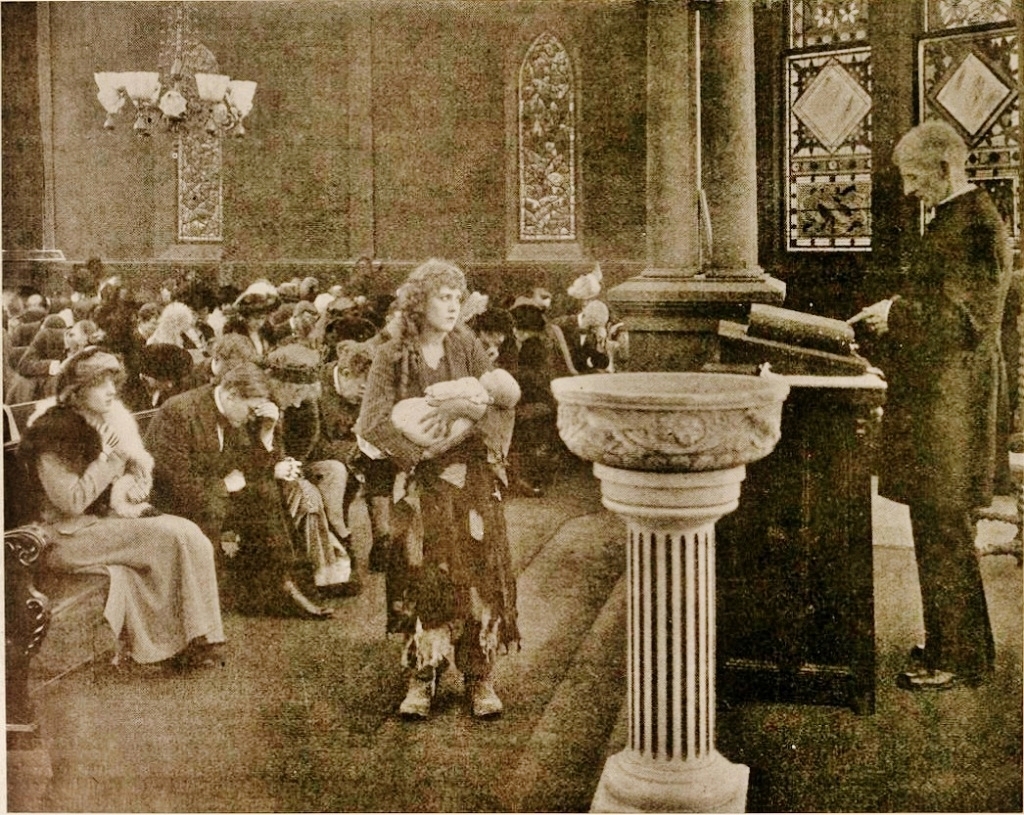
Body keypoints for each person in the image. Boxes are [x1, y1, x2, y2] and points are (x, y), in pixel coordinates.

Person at [853, 120, 1012, 690]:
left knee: (945, 529)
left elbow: (965, 320)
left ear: (945, 169)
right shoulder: (956, 218)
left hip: (953, 405)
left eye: (915, 176)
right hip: (939, 400)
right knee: (936, 526)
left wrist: (894, 314)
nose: (909, 189)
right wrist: (897, 306)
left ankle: (961, 658)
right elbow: (942, 300)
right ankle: (950, 644)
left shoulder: (976, 224)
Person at [356, 258, 521, 719]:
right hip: (419, 483)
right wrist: (418, 454)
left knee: (478, 570)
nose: (452, 307)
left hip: (470, 479)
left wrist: (460, 415)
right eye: (442, 298)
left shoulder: (466, 344)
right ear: (418, 302)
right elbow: (372, 421)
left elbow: (497, 402)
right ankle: (423, 674)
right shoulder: (392, 354)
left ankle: (478, 674)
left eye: (456, 299)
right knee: (422, 572)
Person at [16, 347, 225, 669]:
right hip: (61, 536)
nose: (111, 391)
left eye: (113, 382)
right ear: (77, 390)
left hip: (96, 525)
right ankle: (175, 644)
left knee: (190, 534)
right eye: (101, 384)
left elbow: (116, 478)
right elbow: (71, 501)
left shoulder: (102, 422)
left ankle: (203, 635)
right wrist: (113, 460)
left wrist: (128, 474)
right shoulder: (52, 432)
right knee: (168, 536)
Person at [145, 361, 333, 619]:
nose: (252, 416)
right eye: (251, 409)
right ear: (231, 394)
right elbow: (174, 483)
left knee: (266, 493)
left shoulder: (234, 411)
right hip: (177, 502)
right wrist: (224, 485)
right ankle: (269, 588)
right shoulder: (179, 412)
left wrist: (266, 432)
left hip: (211, 494)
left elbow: (253, 469)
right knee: (256, 496)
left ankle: (281, 584)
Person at [264, 343, 361, 597]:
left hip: (289, 464)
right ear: (281, 385)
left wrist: (294, 464)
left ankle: (338, 536)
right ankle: (320, 572)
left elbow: (306, 439)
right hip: (264, 471)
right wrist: (284, 466)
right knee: (308, 496)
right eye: (296, 393)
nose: (298, 402)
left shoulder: (302, 403)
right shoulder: (262, 404)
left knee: (334, 471)